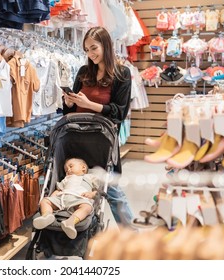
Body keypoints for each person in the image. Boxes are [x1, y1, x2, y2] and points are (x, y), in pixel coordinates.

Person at [62, 26, 134, 227]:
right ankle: (79, 232)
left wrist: (90, 105)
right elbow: (70, 109)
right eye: (86, 50)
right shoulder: (84, 72)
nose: (90, 54)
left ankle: (132, 236)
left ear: (106, 45)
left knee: (110, 190)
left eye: (94, 48)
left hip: (102, 142)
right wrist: (68, 102)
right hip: (75, 138)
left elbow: (119, 112)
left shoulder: (122, 74)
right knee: (76, 187)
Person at [33, 158, 99, 239]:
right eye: (66, 170)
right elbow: (58, 190)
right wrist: (51, 198)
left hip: (79, 199)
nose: (68, 170)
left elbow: (97, 191)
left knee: (87, 207)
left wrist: (91, 194)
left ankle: (70, 222)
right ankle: (47, 216)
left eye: (71, 166)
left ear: (83, 168)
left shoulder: (90, 177)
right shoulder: (66, 179)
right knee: (45, 201)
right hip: (62, 197)